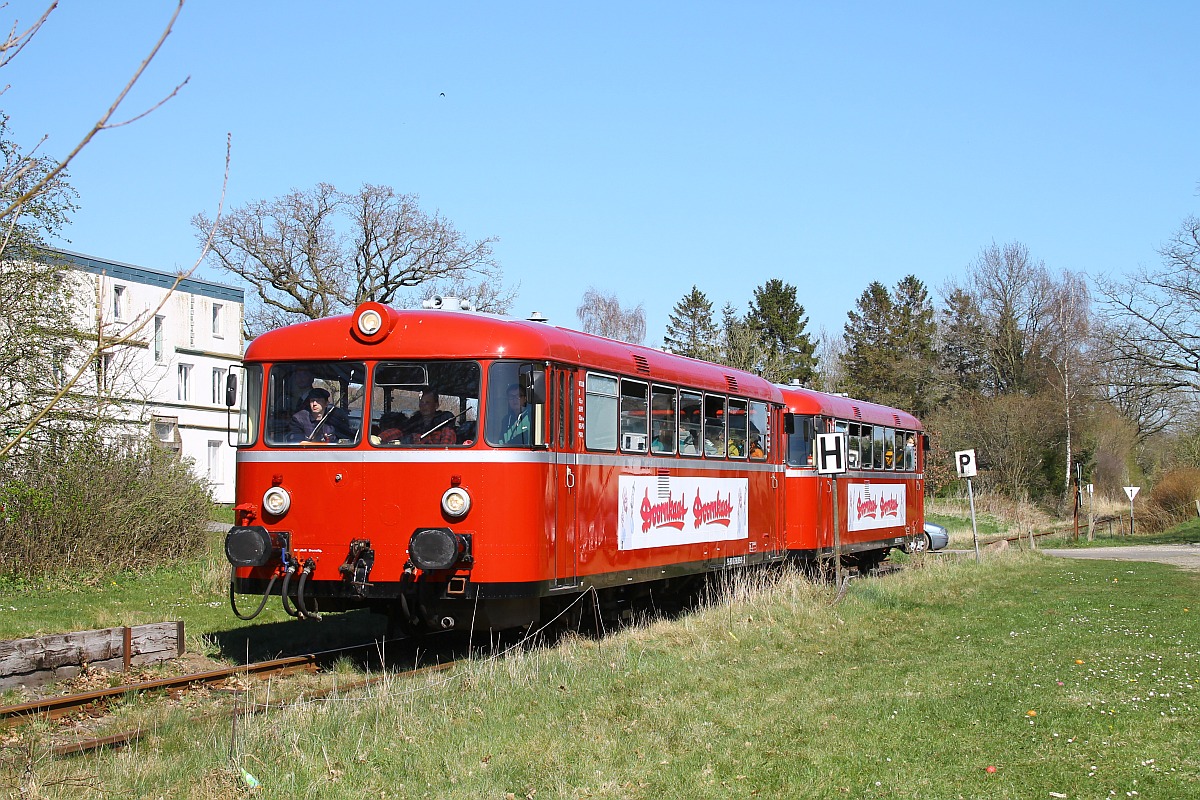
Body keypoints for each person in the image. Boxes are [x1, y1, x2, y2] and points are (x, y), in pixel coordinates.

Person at [289, 388, 354, 443]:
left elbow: (346, 438)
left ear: (326, 403)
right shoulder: (299, 418)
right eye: (312, 401)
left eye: (318, 401)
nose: (314, 404)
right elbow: (295, 441)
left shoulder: (335, 418)